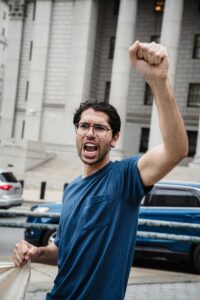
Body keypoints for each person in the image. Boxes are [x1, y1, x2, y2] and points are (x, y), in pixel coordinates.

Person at [12, 41, 188, 300]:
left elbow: (176, 150)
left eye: (100, 128)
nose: (90, 133)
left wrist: (159, 81)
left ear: (114, 138)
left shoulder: (125, 177)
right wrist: (34, 251)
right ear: (76, 133)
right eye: (84, 126)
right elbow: (62, 251)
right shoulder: (72, 189)